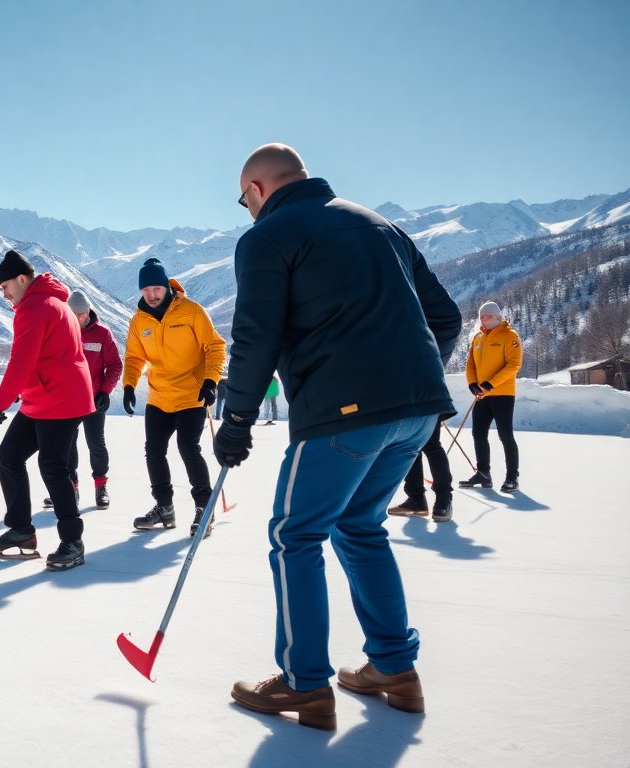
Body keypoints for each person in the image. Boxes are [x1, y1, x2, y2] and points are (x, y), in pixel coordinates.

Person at [216, 144, 461, 729]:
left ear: (255, 189)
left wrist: (237, 419)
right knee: (358, 525)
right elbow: (446, 320)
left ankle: (304, 684)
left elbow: (256, 336)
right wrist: (410, 379)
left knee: (295, 534)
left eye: (242, 198)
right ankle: (394, 668)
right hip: (417, 412)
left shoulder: (267, 236)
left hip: (343, 412)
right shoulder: (380, 225)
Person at [0, 250, 94, 570]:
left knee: (53, 466)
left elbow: (22, 361)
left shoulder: (34, 307)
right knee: (10, 456)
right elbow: (45, 357)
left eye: (5, 286)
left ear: (21, 279)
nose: (4, 294)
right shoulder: (54, 302)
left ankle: (73, 540)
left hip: (61, 399)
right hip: (43, 398)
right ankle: (21, 531)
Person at [122, 257, 227, 537]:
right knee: (154, 451)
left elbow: (215, 347)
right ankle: (164, 507)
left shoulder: (191, 311)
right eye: (146, 291)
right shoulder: (139, 320)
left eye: (156, 289)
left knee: (187, 447)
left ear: (166, 286)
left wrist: (210, 380)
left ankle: (204, 508)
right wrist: (129, 386)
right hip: (159, 396)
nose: (152, 295)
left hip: (192, 394)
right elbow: (134, 357)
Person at [66, 289, 122, 509]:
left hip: (93, 400)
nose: (78, 319)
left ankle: (101, 487)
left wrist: (105, 391)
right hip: (68, 401)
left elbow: (115, 365)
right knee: (67, 445)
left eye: (81, 314)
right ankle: (71, 487)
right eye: (73, 315)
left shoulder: (102, 333)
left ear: (88, 311)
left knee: (96, 444)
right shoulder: (62, 331)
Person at [460, 301, 523, 493]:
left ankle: (512, 477)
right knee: (478, 434)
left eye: (488, 316)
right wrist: (472, 383)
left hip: (502, 394)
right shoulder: (478, 338)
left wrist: (491, 383)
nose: (484, 320)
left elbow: (513, 365)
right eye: (481, 317)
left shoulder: (510, 336)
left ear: (497, 317)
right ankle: (483, 473)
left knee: (505, 435)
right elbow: (470, 364)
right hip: (482, 395)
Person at [387, 414, 455, 522]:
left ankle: (443, 499)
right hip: (409, 405)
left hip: (426, 403)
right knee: (410, 446)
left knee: (431, 445)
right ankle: (416, 499)